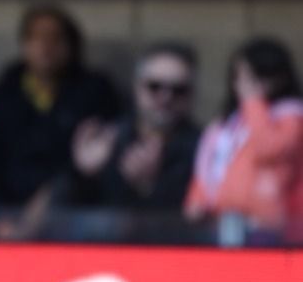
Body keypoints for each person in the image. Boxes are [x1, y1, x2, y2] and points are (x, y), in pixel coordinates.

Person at [0, 3, 121, 209]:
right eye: (38, 37)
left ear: (71, 45)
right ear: (25, 44)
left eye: (56, 38)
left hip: (74, 210)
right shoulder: (0, 96)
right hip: (9, 212)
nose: (46, 46)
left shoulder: (96, 93)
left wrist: (53, 198)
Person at [186, 37, 303, 245]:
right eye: (240, 77)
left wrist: (253, 101)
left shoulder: (290, 116)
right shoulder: (228, 123)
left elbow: (268, 148)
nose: (245, 85)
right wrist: (197, 200)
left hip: (272, 227)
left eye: (253, 78)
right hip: (221, 222)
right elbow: (210, 165)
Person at [66, 42, 201, 210]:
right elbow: (65, 210)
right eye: (154, 86)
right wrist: (83, 174)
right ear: (137, 87)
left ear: (191, 95)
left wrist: (149, 189)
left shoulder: (206, 149)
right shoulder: (110, 139)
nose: (165, 97)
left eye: (179, 90)